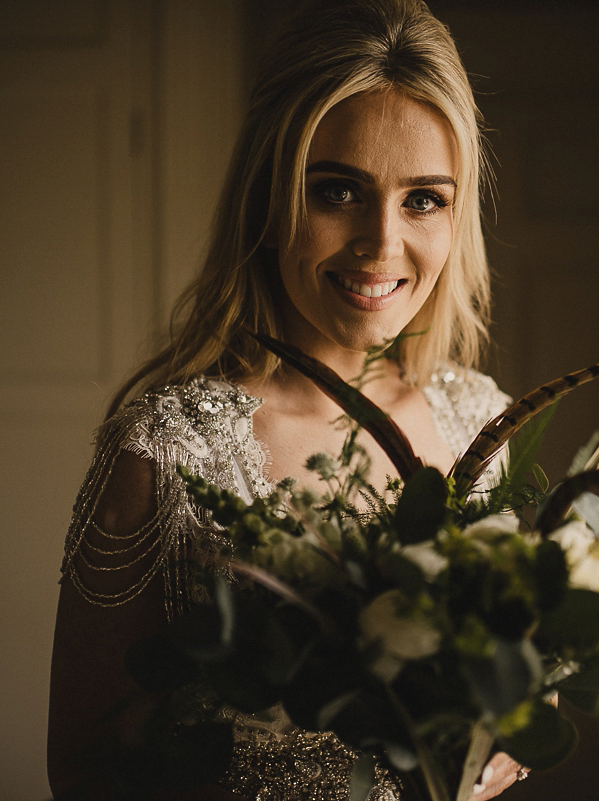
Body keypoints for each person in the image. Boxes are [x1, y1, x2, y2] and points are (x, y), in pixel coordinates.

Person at [48, 1, 523, 798]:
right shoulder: (164, 453)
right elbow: (86, 768)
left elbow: (515, 693)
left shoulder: (481, 424)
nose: (381, 244)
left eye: (423, 199)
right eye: (338, 191)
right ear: (268, 200)